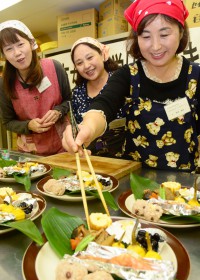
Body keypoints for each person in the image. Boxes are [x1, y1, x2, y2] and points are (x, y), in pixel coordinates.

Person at [62, 0, 200, 172]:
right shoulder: (128, 74)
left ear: (181, 32)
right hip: (136, 180)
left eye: (164, 34)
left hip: (185, 182)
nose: (155, 46)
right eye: (146, 36)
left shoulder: (195, 75)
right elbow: (105, 104)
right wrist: (87, 127)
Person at [0, 20, 71, 156]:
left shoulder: (54, 67)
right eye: (9, 49)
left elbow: (69, 100)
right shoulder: (4, 83)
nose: (17, 53)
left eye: (20, 44)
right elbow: (7, 122)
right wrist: (28, 125)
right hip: (30, 153)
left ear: (32, 44)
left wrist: (58, 111)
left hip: (64, 146)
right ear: (4, 56)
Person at [71, 37, 126, 158]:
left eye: (90, 57)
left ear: (102, 54)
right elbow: (76, 126)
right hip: (92, 158)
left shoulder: (121, 81)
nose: (86, 66)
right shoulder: (77, 93)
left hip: (125, 158)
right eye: (79, 63)